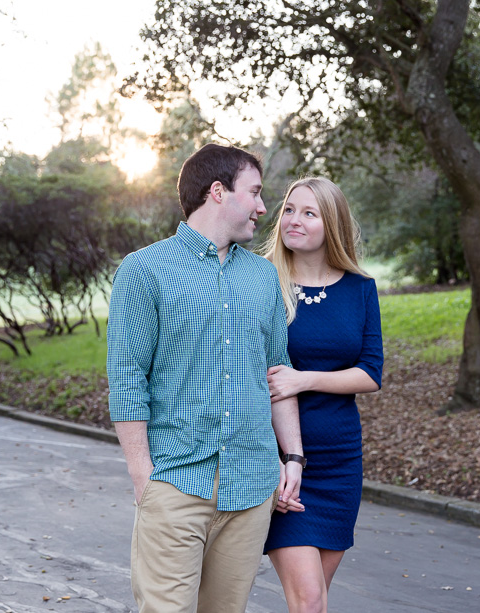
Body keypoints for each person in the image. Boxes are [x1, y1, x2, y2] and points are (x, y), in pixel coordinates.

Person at [106, 143, 305, 613]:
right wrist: (143, 477)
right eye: (254, 192)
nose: (262, 206)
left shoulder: (262, 278)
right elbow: (127, 378)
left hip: (251, 490)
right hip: (175, 483)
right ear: (218, 191)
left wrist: (292, 456)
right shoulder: (144, 270)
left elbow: (277, 376)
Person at [260, 177, 384, 613]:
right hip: (279, 460)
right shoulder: (263, 282)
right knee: (310, 599)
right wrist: (275, 457)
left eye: (309, 213)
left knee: (313, 601)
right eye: (289, 210)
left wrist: (304, 378)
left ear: (330, 224)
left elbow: (370, 372)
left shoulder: (359, 288)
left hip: (339, 462)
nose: (294, 220)